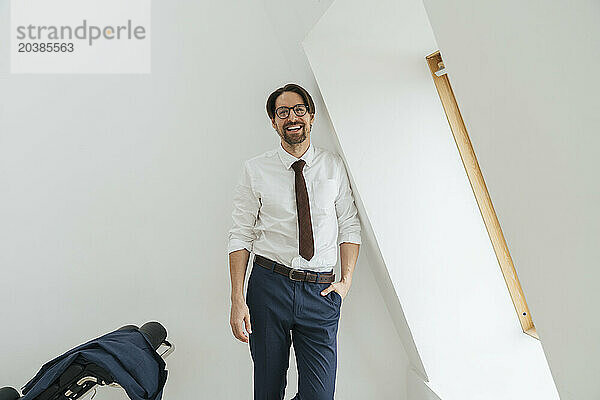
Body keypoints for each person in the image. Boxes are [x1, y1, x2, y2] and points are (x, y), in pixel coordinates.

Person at [228, 83, 361, 400]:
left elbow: (350, 224)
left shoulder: (333, 166)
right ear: (273, 121)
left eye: (299, 110)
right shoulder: (256, 169)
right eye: (282, 112)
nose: (292, 117)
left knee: (319, 395)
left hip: (321, 290)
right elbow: (240, 233)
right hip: (268, 288)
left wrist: (346, 281)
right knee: (268, 389)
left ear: (311, 116)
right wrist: (237, 298)